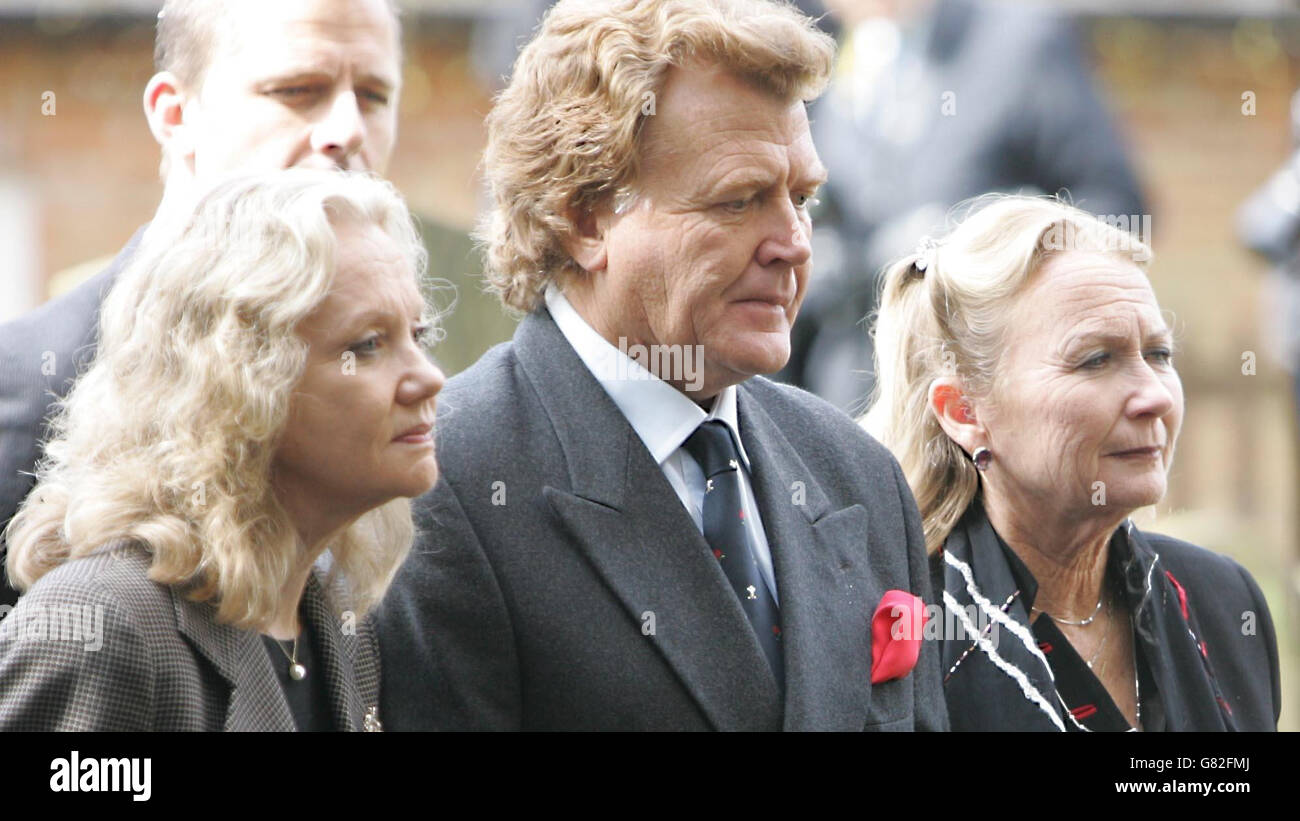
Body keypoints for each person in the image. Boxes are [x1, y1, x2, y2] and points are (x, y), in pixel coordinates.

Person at [376, 0, 948, 732]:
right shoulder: (442, 482)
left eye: (803, 197)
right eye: (739, 200)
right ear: (586, 218)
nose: (795, 242)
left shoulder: (856, 475)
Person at [0, 170, 445, 731]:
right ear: (237, 385)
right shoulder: (105, 627)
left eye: (418, 335)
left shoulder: (330, 623)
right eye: (367, 346)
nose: (428, 378)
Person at [0, 0, 404, 606]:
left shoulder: (399, 380)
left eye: (374, 96)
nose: (347, 128)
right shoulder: (26, 386)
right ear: (175, 113)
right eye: (298, 89)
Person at [863, 195, 1281, 731]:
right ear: (964, 412)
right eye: (1095, 360)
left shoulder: (1219, 601)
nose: (1152, 396)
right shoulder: (905, 629)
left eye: (1159, 355)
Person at [780, 0, 1147, 411]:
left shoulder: (1022, 42)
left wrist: (974, 247)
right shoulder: (813, 49)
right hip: (849, 401)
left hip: (982, 393)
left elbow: (1118, 209)